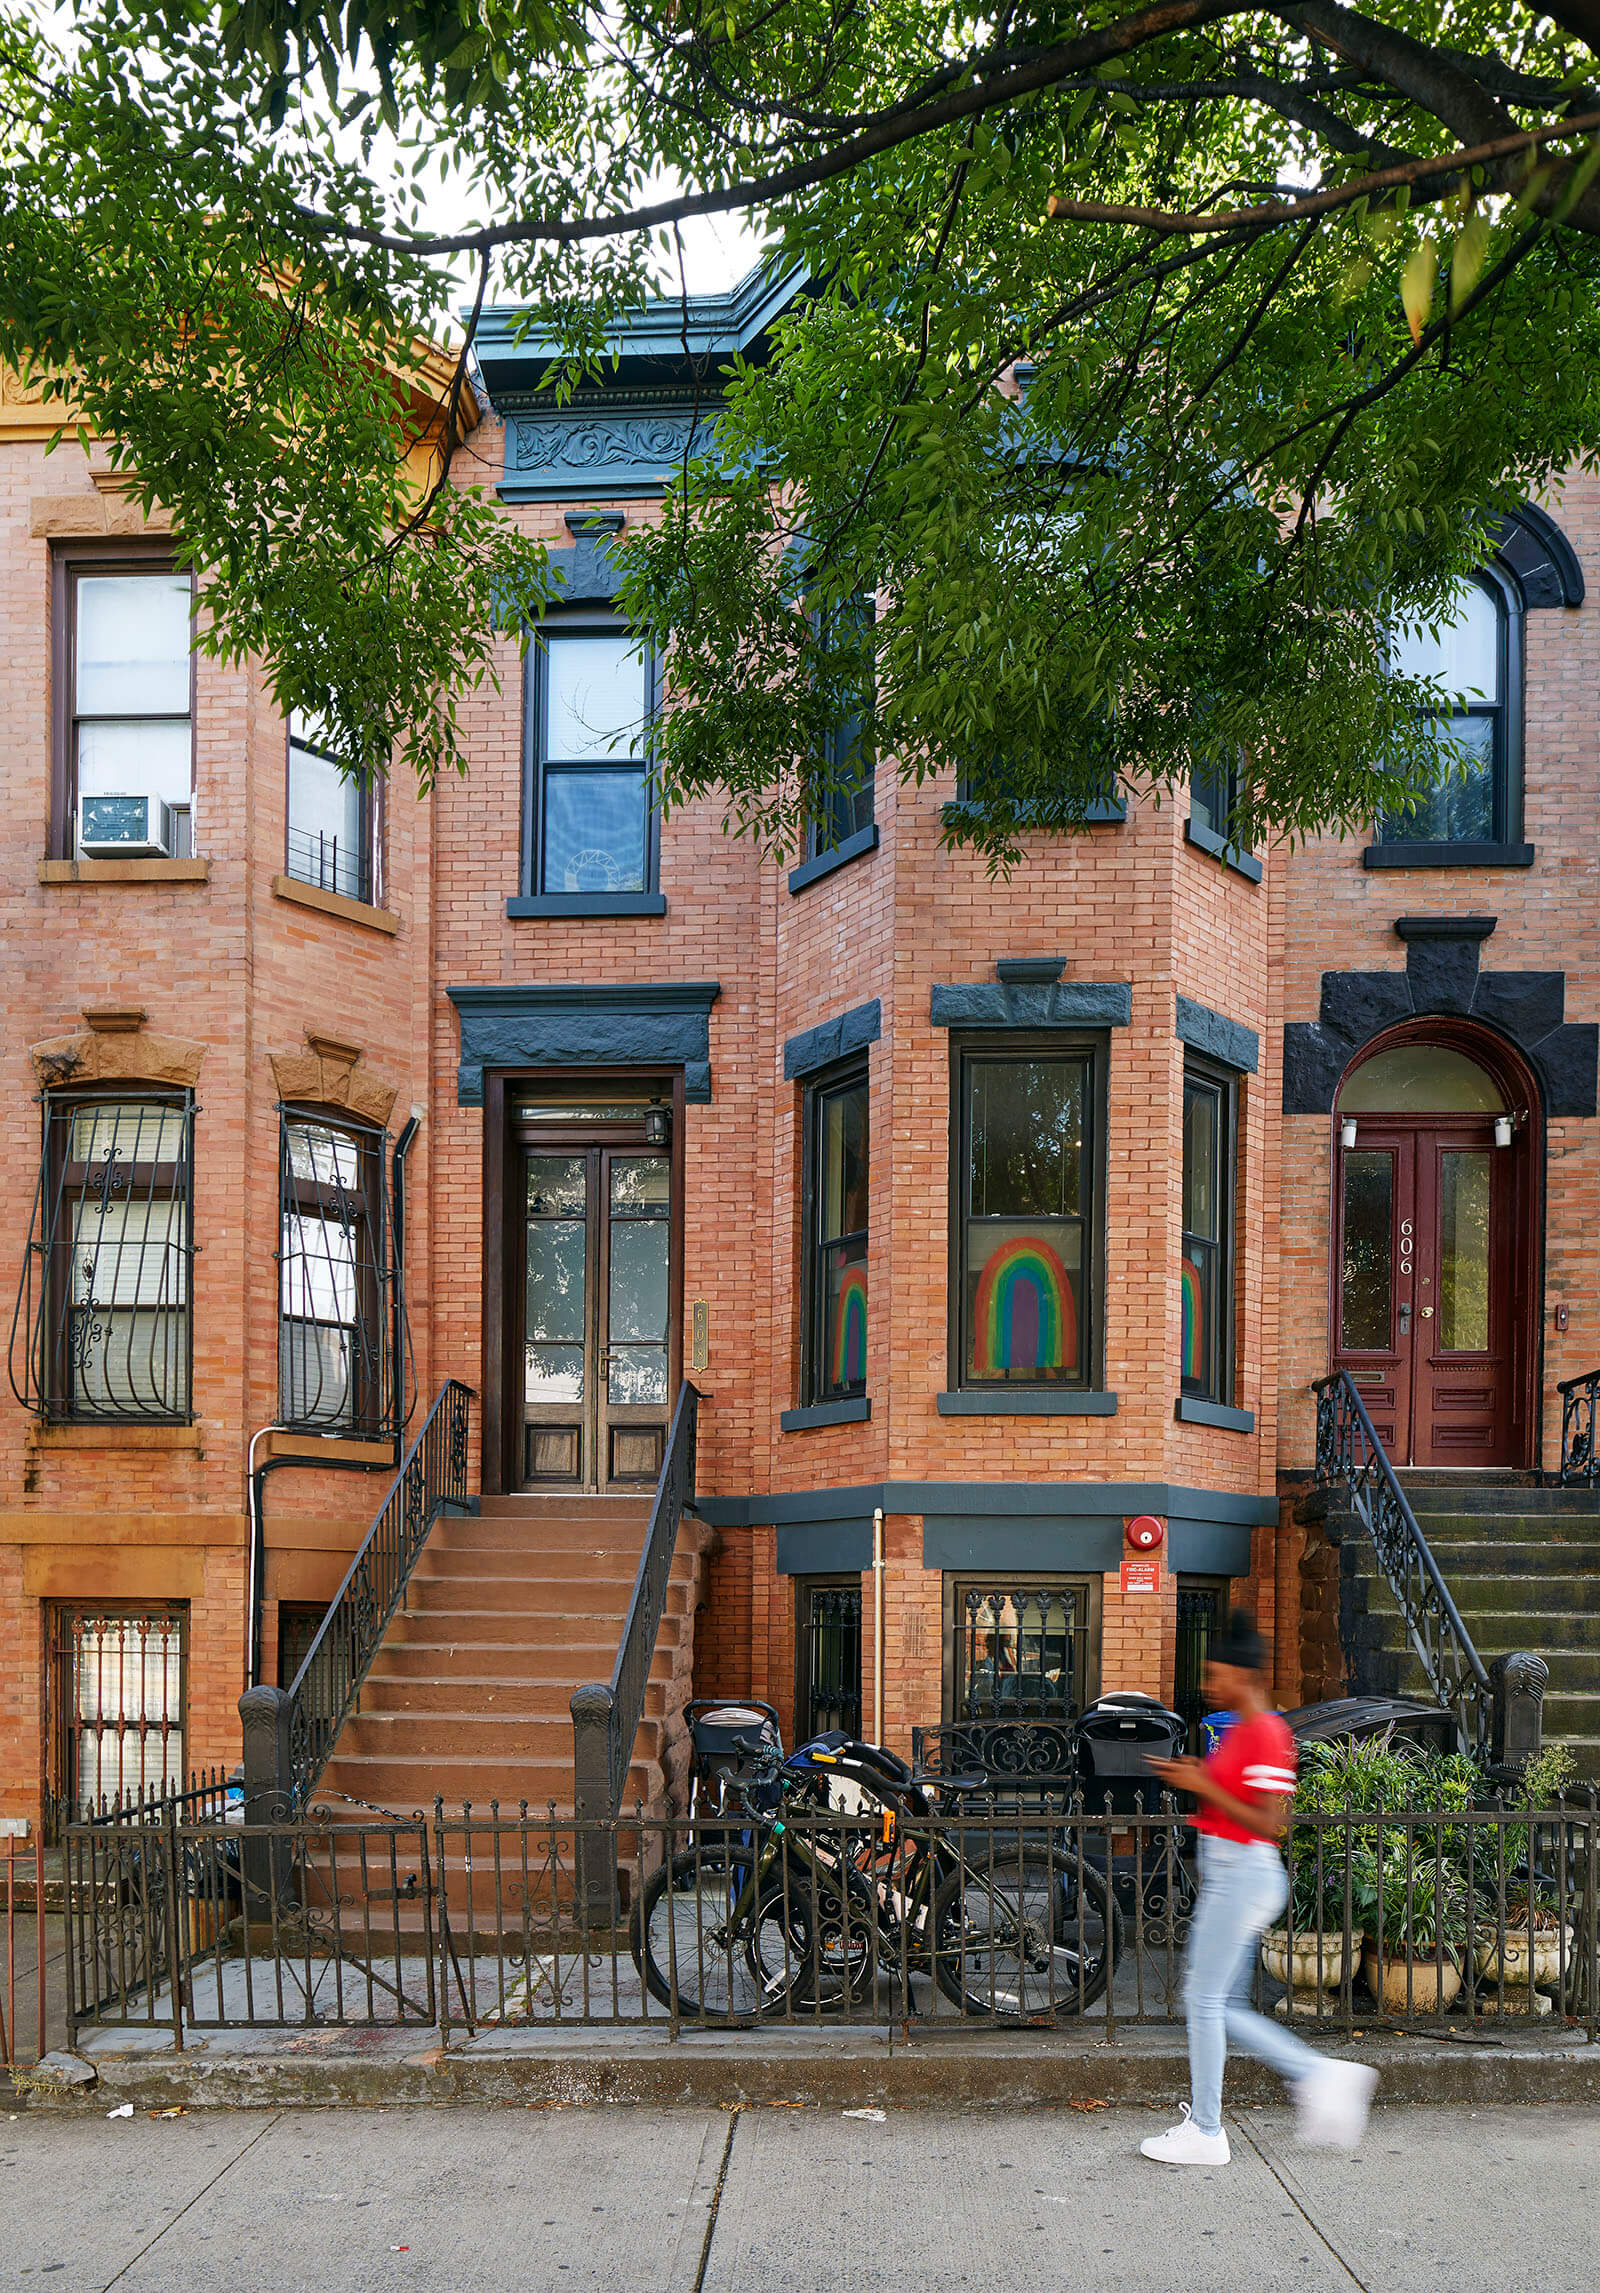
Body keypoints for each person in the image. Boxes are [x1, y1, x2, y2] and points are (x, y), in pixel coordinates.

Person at [1139, 1609, 1377, 2166]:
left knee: (1205, 2001)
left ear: (1244, 1676)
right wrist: (1200, 1777)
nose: (1209, 1684)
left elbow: (1272, 1822)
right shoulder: (1244, 1732)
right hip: (1233, 1876)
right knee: (1216, 2002)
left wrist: (1203, 1785)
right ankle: (1220, 2119)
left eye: (1217, 1674)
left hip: (1243, 1877)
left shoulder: (1268, 1733)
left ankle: (1224, 2120)